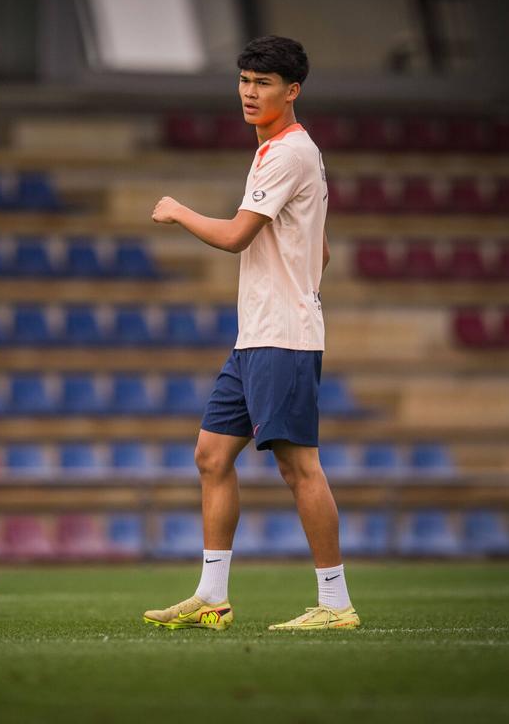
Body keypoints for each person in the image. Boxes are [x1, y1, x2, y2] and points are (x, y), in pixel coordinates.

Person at [141, 35, 358, 632]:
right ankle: (212, 595)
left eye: (262, 83)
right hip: (255, 335)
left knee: (299, 468)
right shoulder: (275, 153)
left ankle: (335, 604)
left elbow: (237, 235)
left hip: (282, 336)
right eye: (243, 80)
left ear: (292, 92)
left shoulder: (288, 152)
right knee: (211, 456)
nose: (249, 92)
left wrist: (179, 211)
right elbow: (324, 251)